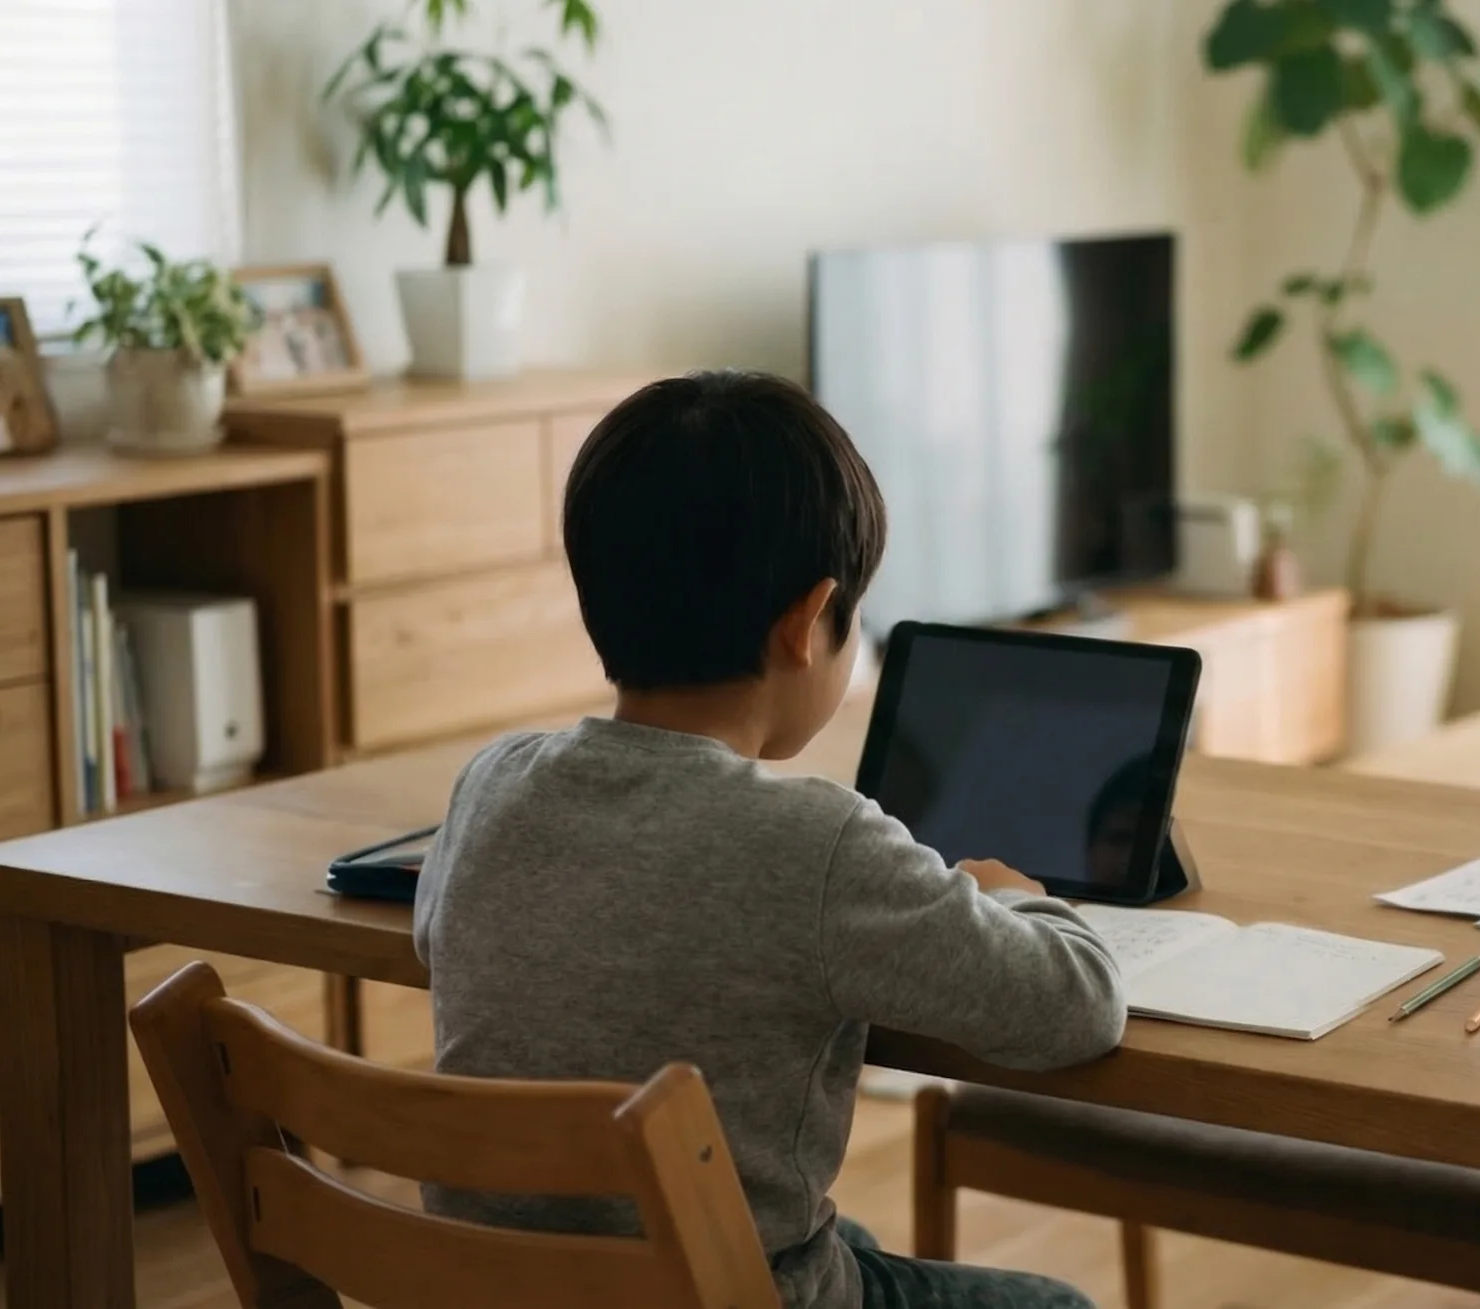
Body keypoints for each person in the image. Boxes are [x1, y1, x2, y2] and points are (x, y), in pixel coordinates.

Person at [414, 371, 1125, 1309]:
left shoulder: (490, 781)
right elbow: (1075, 1006)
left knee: (843, 1233)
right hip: (725, 1295)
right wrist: (1010, 897)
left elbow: (442, 939)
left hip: (499, 1290)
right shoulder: (817, 842)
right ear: (806, 623)